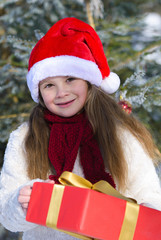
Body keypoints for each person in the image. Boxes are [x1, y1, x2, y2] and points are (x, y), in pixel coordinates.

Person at [0, 17, 161, 240]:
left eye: (70, 79)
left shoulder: (119, 134)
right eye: (49, 85)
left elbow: (150, 194)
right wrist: (20, 201)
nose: (61, 93)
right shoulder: (25, 138)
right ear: (39, 92)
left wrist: (145, 215)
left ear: (87, 81)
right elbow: (6, 215)